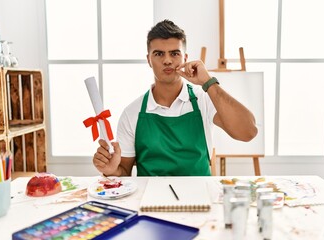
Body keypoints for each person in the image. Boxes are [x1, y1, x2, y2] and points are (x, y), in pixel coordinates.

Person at [93, 19, 257, 176]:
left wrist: (208, 82)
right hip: (149, 201)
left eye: (174, 53)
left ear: (185, 58)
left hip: (199, 198)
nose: (167, 60)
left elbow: (248, 131)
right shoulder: (132, 113)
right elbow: (123, 173)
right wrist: (112, 170)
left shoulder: (204, 99)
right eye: (158, 54)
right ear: (149, 60)